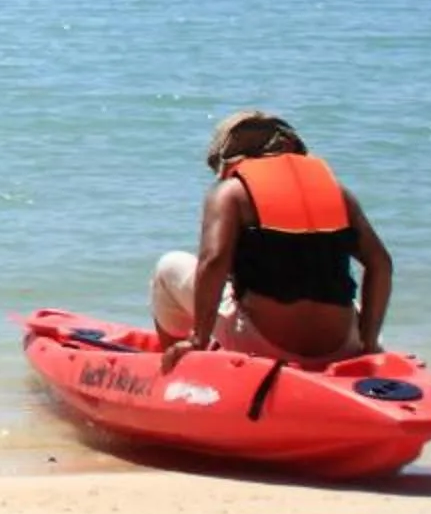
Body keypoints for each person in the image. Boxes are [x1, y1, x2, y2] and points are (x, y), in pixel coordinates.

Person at [152, 109, 392, 369]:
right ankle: (366, 349)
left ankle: (178, 367)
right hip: (341, 347)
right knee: (348, 302)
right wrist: (367, 343)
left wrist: (199, 337)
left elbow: (214, 262)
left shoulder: (230, 192)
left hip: (265, 346)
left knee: (169, 268)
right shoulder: (337, 191)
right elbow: (381, 264)